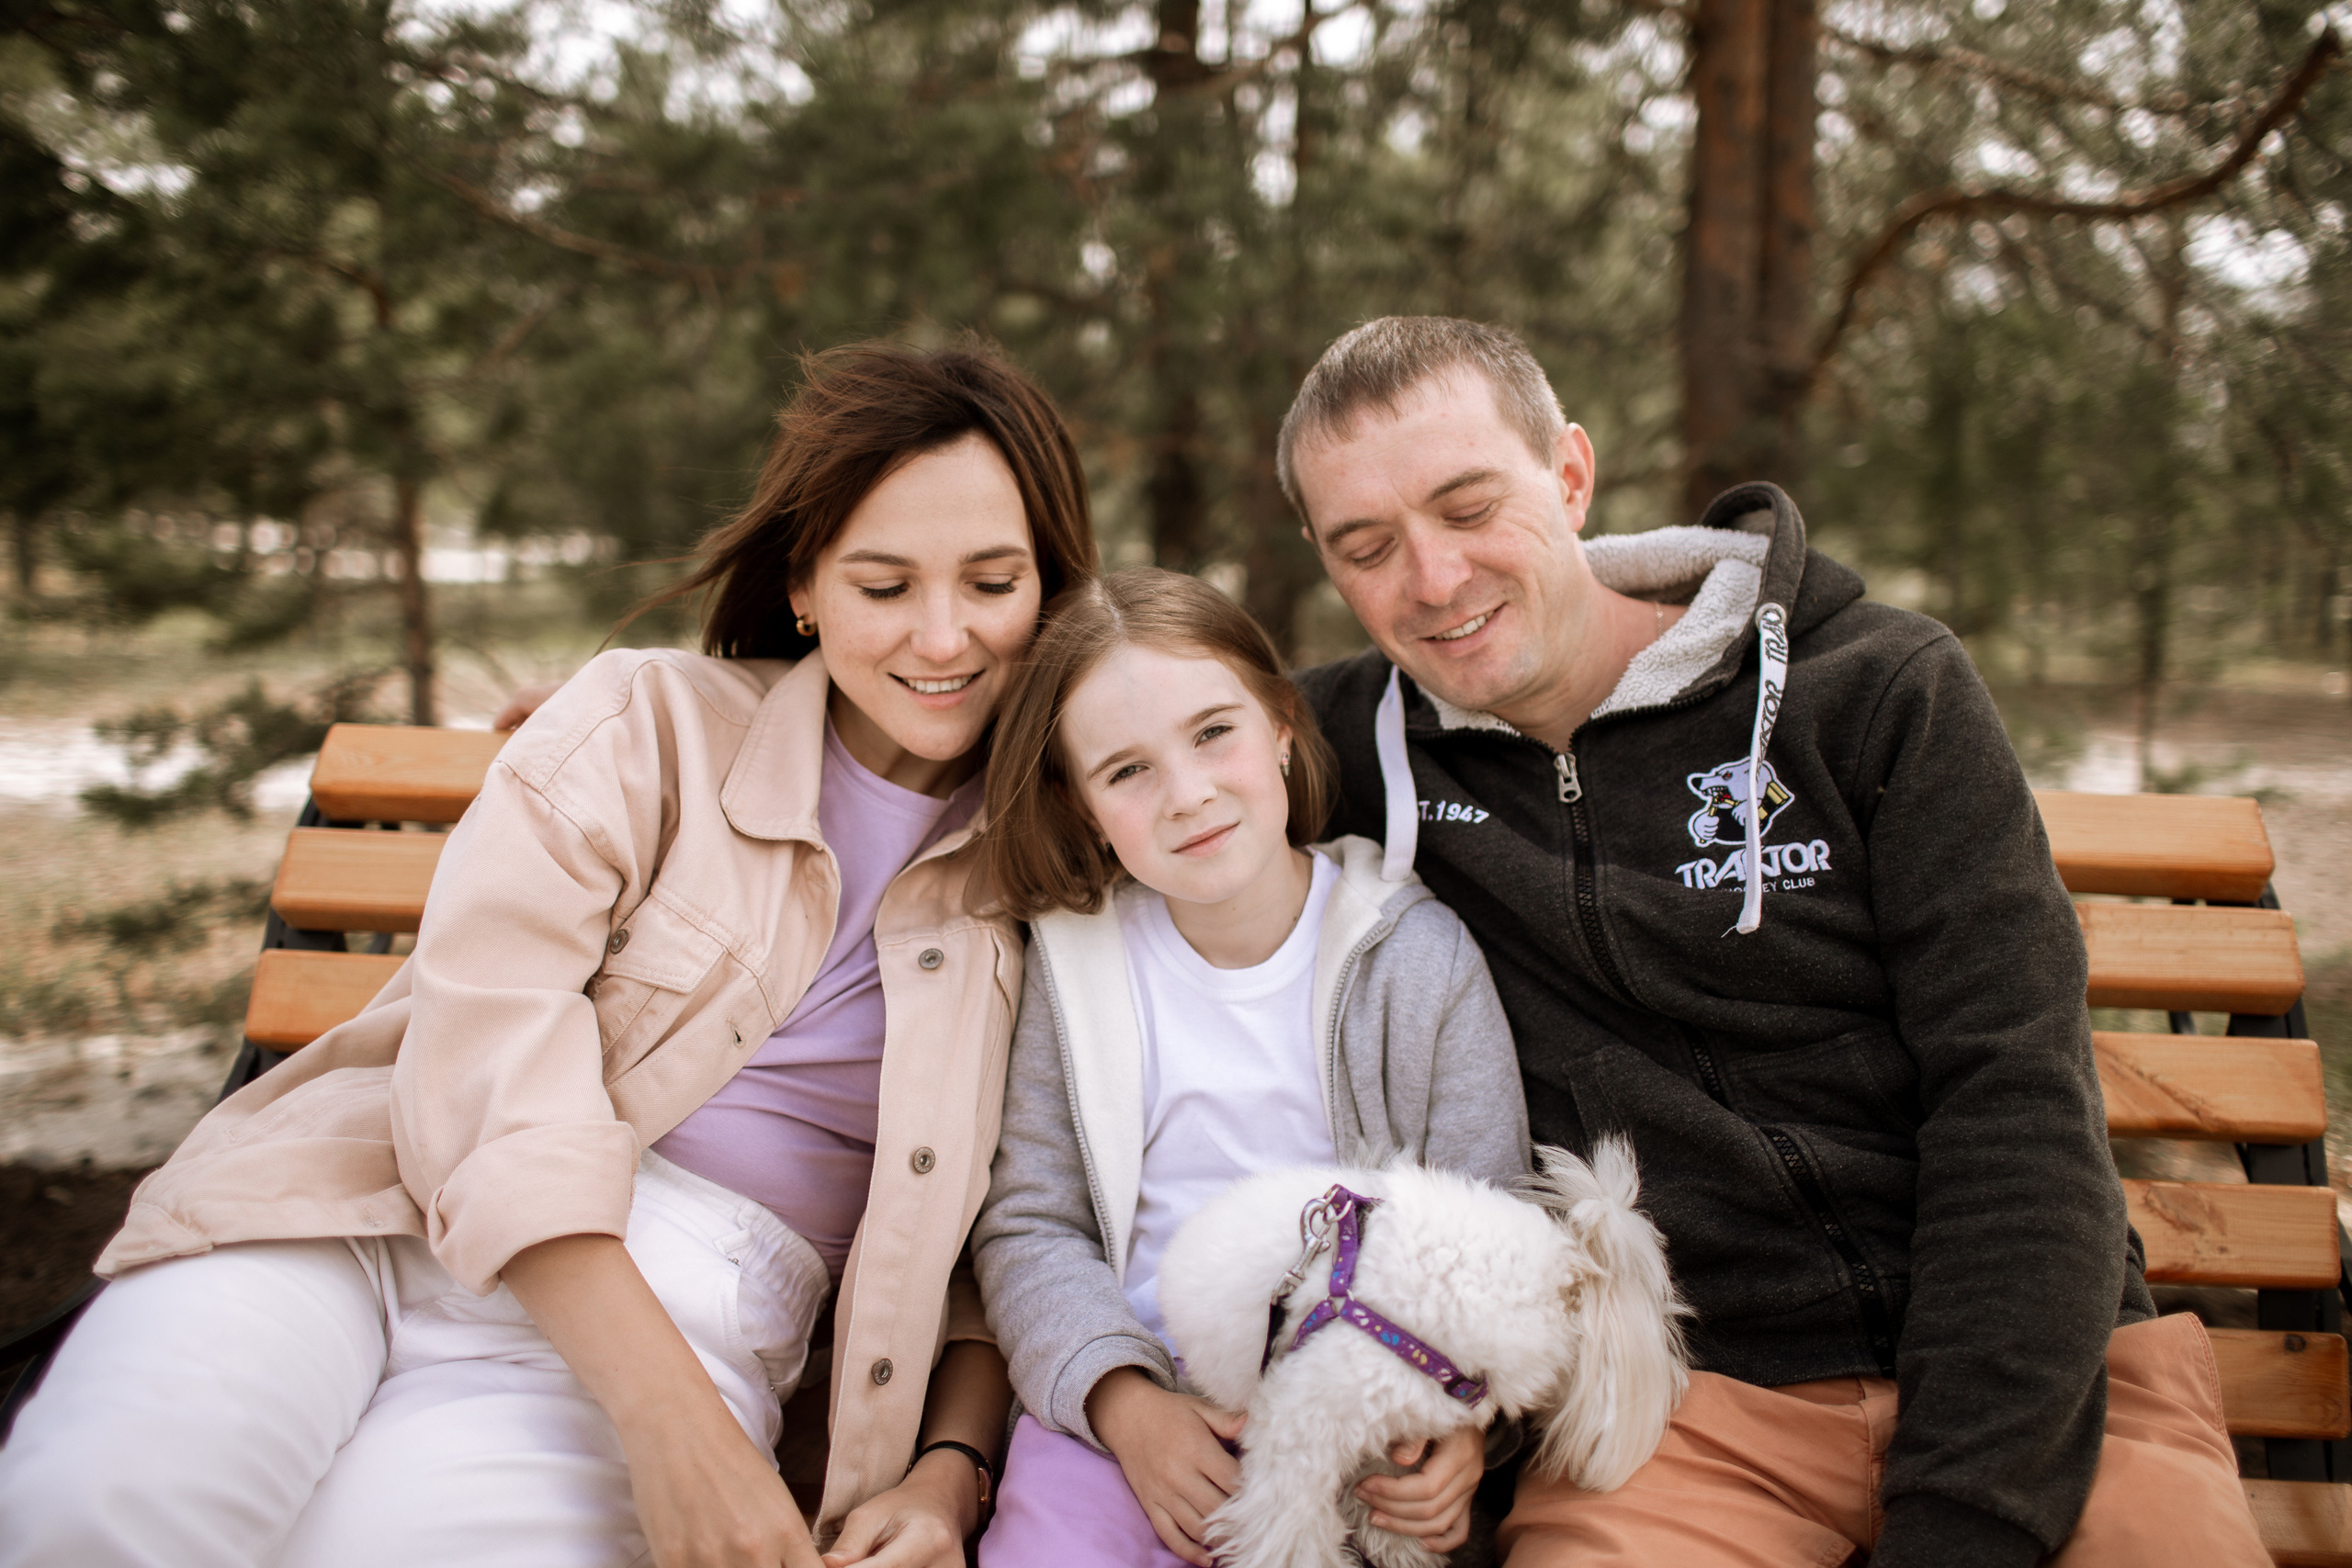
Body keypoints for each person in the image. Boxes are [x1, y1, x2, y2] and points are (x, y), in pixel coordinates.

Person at [0, 342, 1101, 1568]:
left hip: (701, 1301)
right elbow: (483, 1047)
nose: (942, 637)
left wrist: (952, 1471)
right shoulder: (651, 724)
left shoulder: (1069, 867)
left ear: (1051, 586)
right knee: (95, 1511)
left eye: (993, 582)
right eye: (884, 584)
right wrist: (671, 1418)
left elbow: (1028, 1221)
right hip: (367, 1204)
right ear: (804, 582)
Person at [1279, 317, 2269, 1566]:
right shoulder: (1338, 746)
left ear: (1571, 473)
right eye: (1366, 548)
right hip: (1680, 1407)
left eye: (1469, 506)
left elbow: (2016, 1101)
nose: (1431, 578)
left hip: (2044, 1377)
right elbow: (1093, 750)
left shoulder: (1877, 689)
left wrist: (1965, 1516)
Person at [966, 569, 1530, 1568]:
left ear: (1280, 722)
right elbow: (1030, 1223)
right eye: (1126, 772)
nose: (1187, 794)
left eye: (1212, 732)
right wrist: (1123, 1405)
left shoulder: (1416, 958)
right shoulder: (1073, 965)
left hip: (1352, 1402)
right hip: (1121, 1409)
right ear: (1081, 803)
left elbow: (1483, 1225)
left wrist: (1461, 1422)